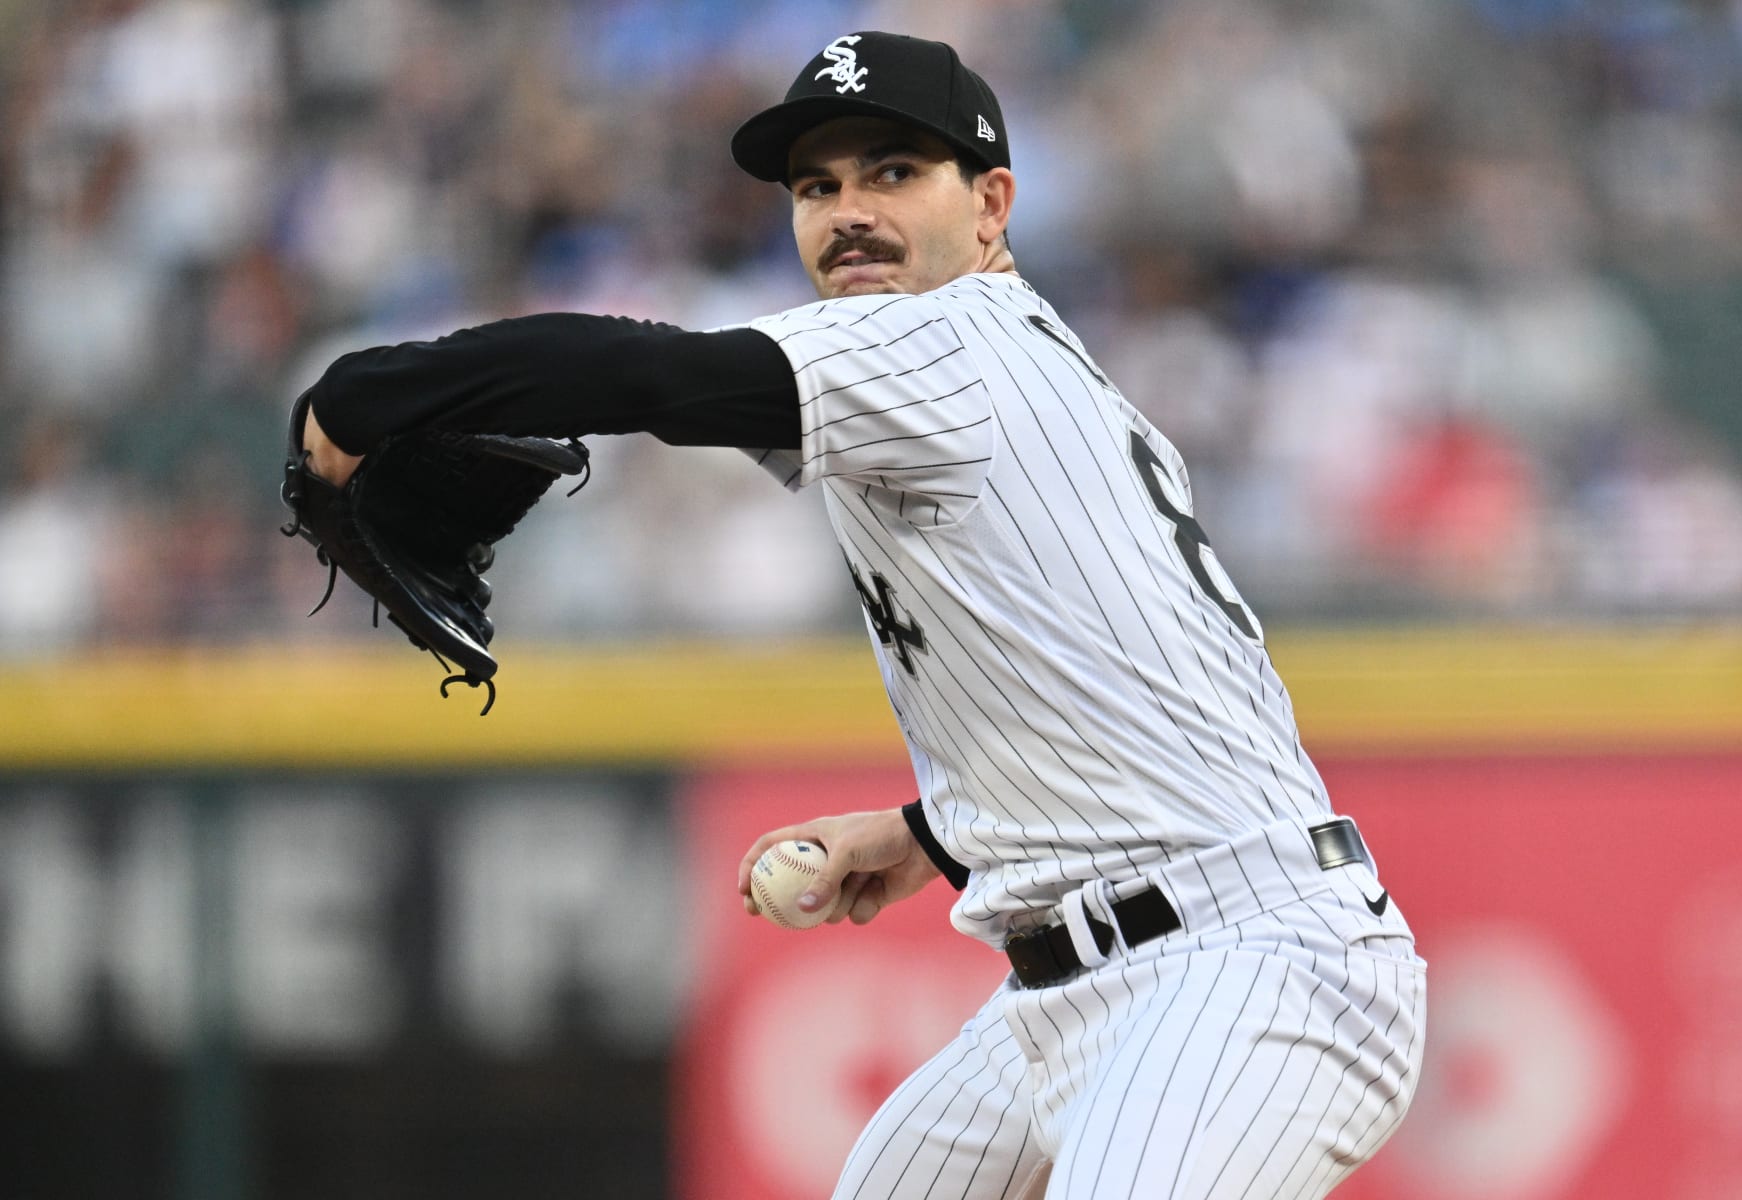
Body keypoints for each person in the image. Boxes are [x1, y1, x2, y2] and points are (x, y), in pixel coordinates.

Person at [299, 31, 1426, 1200]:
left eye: (893, 173)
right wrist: (929, 833)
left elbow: (645, 373)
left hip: (1245, 969)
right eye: (817, 187)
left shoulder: (943, 344)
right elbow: (1122, 677)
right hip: (1081, 985)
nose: (849, 212)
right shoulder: (974, 366)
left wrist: (363, 397)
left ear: (991, 205)